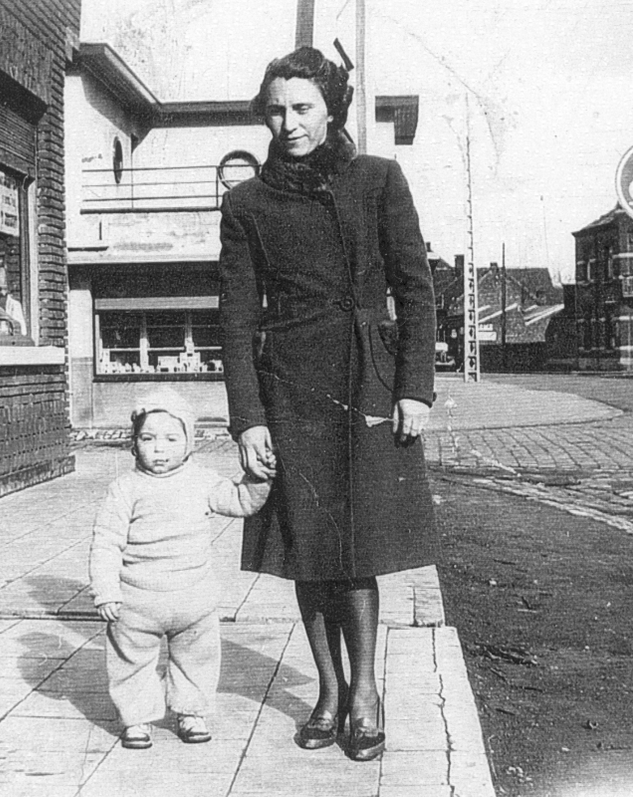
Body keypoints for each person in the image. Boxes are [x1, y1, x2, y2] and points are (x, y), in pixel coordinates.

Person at [218, 46, 438, 762]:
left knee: (358, 545)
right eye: (276, 110)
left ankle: (365, 691)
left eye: (303, 107)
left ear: (332, 108)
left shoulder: (377, 179)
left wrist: (414, 385)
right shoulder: (246, 204)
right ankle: (329, 689)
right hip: (290, 387)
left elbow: (416, 287)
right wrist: (248, 417)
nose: (288, 123)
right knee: (307, 547)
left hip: (366, 382)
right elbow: (235, 319)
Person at [89, 387, 272, 749]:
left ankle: (191, 711)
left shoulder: (201, 480)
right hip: (137, 601)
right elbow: (106, 542)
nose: (159, 448)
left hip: (193, 599)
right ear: (133, 444)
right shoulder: (124, 489)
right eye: (148, 438)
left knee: (197, 658)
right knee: (131, 661)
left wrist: (259, 479)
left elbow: (239, 501)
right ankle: (136, 718)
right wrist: (106, 591)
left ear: (189, 444)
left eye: (171, 439)